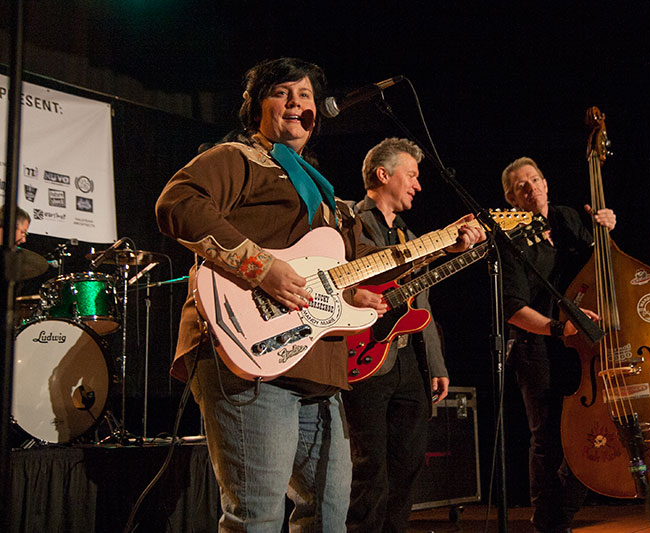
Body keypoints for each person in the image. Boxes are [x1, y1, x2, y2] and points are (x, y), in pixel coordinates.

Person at [155, 58, 483, 532]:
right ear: (256, 108)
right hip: (247, 355)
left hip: (317, 365)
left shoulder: (326, 196)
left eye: (305, 95)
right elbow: (178, 204)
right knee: (256, 516)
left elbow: (363, 262)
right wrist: (262, 268)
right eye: (282, 93)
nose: (296, 103)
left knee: (329, 515)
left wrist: (442, 244)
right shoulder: (236, 158)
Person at [499, 157, 616, 533]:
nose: (531, 188)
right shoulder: (513, 239)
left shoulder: (568, 218)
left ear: (546, 183)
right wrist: (556, 328)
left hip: (579, 343)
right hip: (536, 345)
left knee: (593, 427)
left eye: (535, 179)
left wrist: (606, 230)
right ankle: (548, 518)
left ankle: (557, 514)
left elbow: (604, 266)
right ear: (512, 199)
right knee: (548, 436)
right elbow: (512, 308)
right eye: (521, 186)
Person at [342, 138, 449, 532]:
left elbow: (425, 306)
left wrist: (435, 363)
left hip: (409, 360)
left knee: (407, 465)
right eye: (412, 175)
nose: (417, 186)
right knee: (369, 468)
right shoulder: (349, 222)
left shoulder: (410, 235)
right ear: (383, 175)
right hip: (364, 355)